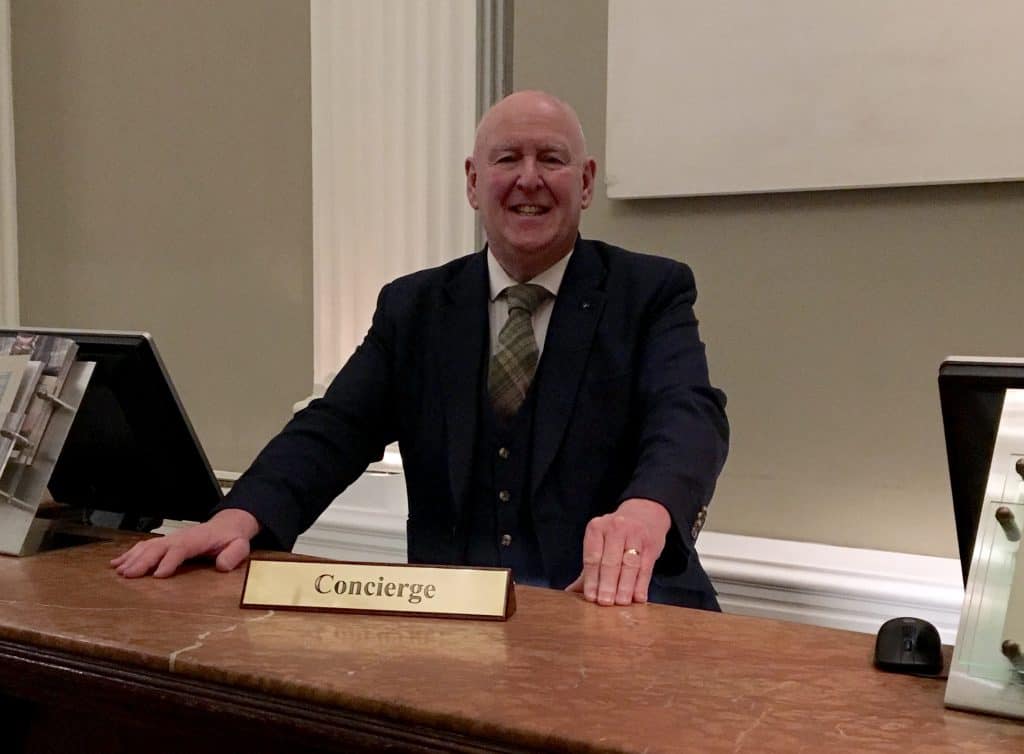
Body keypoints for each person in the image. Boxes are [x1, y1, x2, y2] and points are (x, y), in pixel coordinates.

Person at [112, 91, 729, 609]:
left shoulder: (650, 293)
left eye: (553, 159)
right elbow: (334, 428)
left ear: (587, 182)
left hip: (616, 616)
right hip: (459, 626)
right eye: (507, 158)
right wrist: (238, 516)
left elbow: (689, 416)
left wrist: (646, 511)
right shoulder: (414, 309)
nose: (529, 178)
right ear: (473, 181)